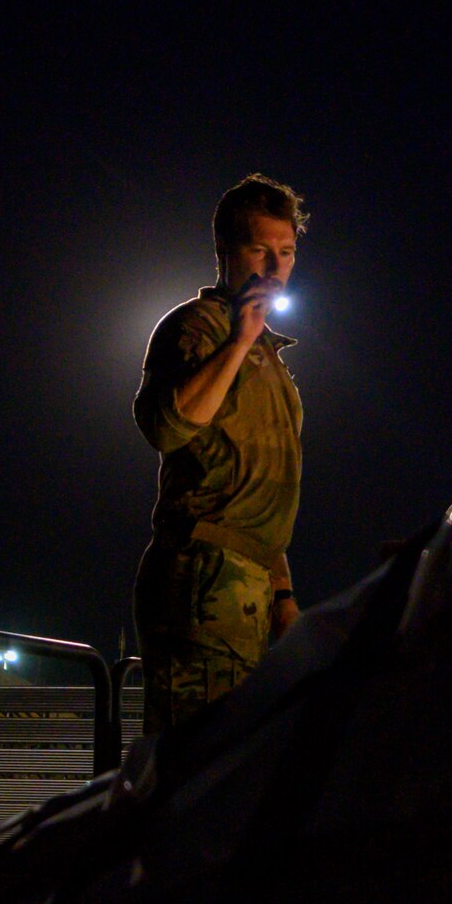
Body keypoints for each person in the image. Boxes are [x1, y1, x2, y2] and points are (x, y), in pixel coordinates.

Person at [131, 172, 307, 734]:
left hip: (251, 585)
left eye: (287, 251)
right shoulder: (197, 329)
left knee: (234, 768)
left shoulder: (270, 358)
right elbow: (166, 425)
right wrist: (238, 340)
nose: (276, 267)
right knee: (194, 770)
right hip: (203, 581)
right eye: (261, 250)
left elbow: (258, 483)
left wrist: (282, 592)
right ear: (226, 253)